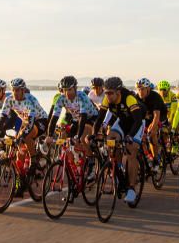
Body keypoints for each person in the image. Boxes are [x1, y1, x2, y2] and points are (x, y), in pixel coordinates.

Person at [95, 76, 147, 205]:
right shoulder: (107, 100)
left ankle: (131, 188)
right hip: (123, 122)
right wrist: (93, 135)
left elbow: (137, 120)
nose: (108, 96)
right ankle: (117, 169)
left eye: (110, 93)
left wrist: (130, 136)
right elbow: (100, 118)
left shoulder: (128, 98)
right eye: (106, 93)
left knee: (131, 150)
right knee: (111, 140)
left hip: (136, 123)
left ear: (118, 92)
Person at [45, 75, 99, 154]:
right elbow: (54, 117)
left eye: (70, 89)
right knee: (68, 141)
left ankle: (90, 158)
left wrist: (78, 136)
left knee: (82, 138)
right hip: (76, 119)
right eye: (65, 90)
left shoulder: (82, 97)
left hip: (90, 118)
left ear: (75, 88)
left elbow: (83, 117)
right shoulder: (61, 99)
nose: (67, 93)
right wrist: (49, 135)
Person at [135, 77, 168, 160]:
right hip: (148, 117)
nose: (140, 92)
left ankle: (156, 158)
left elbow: (156, 116)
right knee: (140, 136)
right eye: (138, 89)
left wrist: (152, 128)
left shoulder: (155, 97)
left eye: (142, 89)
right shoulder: (136, 97)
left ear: (148, 89)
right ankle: (148, 156)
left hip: (160, 115)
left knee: (152, 135)